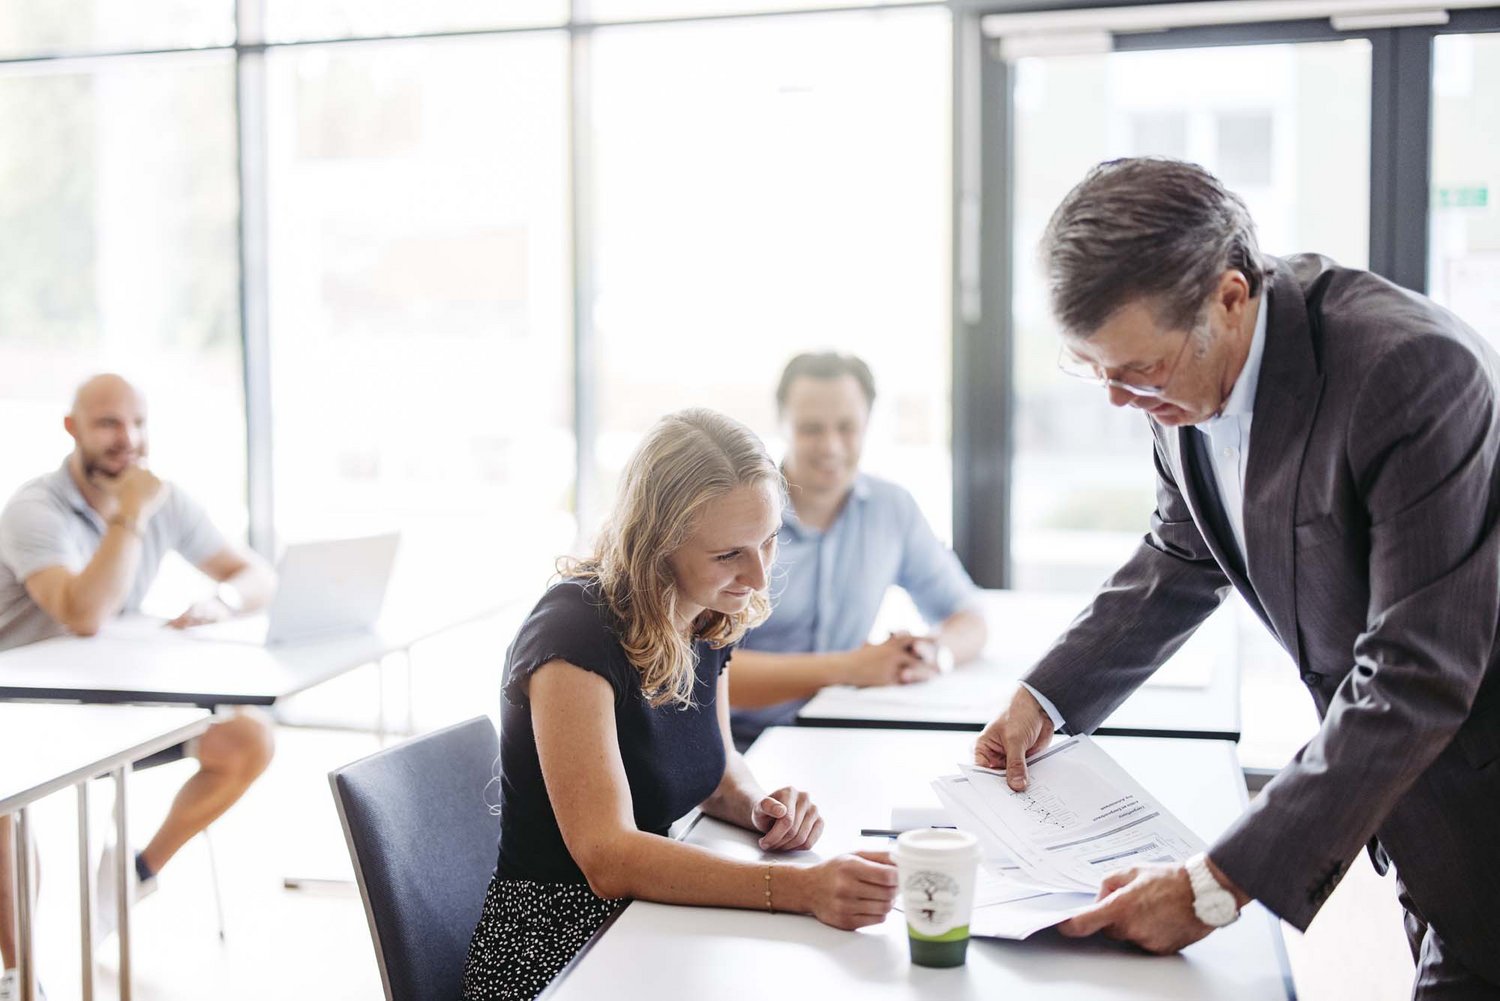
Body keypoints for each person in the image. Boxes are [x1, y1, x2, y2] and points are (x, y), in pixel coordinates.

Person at [975, 158, 1500, 998]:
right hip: (1415, 818)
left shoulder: (1411, 373)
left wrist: (1214, 886)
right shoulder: (1181, 390)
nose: (1118, 399)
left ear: (1228, 296)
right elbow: (1183, 551)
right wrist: (1048, 697)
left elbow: (1417, 673)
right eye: (1093, 369)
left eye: (1137, 370)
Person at [464, 408, 897, 1001]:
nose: (758, 575)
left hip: (644, 923)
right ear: (658, 544)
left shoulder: (708, 609)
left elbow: (717, 771)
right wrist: (800, 889)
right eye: (729, 555)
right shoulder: (572, 635)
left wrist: (759, 807)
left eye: (769, 541)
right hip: (556, 951)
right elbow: (607, 857)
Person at [0, 375, 277, 994]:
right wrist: (128, 515)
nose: (128, 439)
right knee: (2, 807)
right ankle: (21, 979)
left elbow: (254, 572)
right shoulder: (34, 511)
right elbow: (82, 614)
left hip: (110, 706)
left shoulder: (160, 498)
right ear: (72, 429)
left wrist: (222, 599)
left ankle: (131, 874)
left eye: (138, 422)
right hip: (22, 715)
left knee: (247, 739)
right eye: (108, 424)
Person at [728, 352, 987, 748]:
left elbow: (969, 617)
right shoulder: (736, 514)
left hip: (844, 739)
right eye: (811, 429)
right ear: (782, 424)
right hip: (739, 746)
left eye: (847, 428)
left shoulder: (892, 508)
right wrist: (851, 668)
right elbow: (697, 674)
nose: (830, 446)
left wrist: (932, 653)